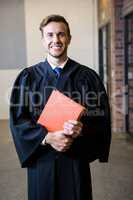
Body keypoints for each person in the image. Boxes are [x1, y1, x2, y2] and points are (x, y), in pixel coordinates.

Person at [10, 14, 111, 200]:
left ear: (69, 38)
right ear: (43, 39)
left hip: (75, 160)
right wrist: (46, 137)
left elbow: (101, 119)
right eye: (50, 35)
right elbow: (18, 120)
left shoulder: (88, 77)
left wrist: (82, 130)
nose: (55, 40)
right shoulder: (28, 78)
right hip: (42, 162)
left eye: (61, 34)